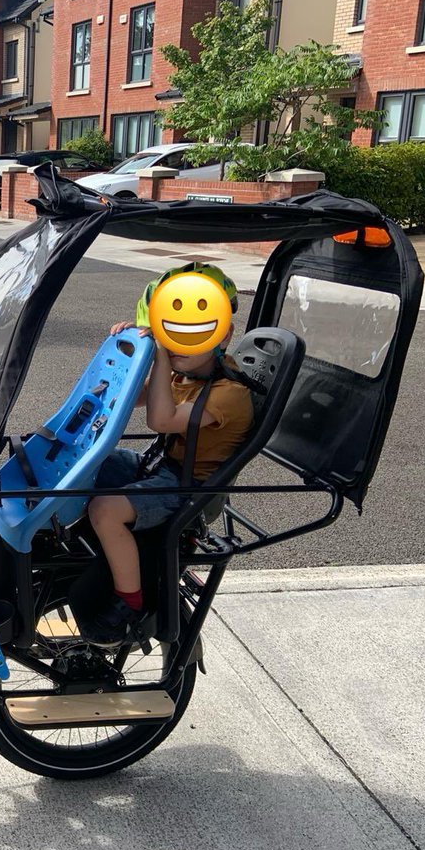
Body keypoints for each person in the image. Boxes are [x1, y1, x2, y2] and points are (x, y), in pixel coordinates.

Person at [79, 267, 255, 647]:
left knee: (105, 510)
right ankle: (81, 559)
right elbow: (132, 398)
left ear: (222, 335)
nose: (176, 344)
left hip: (188, 488)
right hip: (159, 465)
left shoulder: (230, 394)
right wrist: (134, 347)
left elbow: (160, 418)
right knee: (87, 463)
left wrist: (161, 356)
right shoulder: (185, 372)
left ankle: (130, 602)